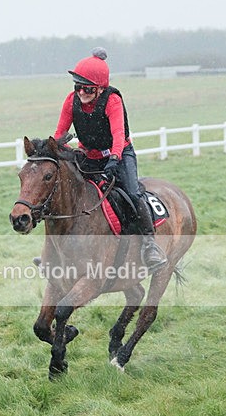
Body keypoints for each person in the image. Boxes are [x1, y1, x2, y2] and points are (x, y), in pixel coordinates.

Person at [54, 48, 167, 272]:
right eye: (78, 87)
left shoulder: (112, 101)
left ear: (100, 88)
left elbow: (118, 136)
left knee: (133, 193)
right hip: (88, 155)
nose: (81, 93)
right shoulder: (71, 101)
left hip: (120, 154)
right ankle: (56, 253)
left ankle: (149, 246)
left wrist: (114, 159)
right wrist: (63, 149)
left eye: (87, 88)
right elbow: (59, 135)